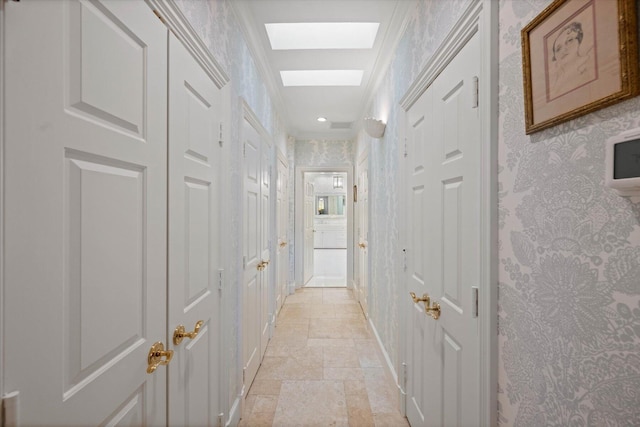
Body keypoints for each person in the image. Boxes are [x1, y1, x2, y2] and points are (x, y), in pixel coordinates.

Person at [548, 21, 595, 100]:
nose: (564, 49)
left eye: (569, 41)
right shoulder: (556, 85)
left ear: (579, 41)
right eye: (558, 49)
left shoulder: (588, 65)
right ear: (555, 57)